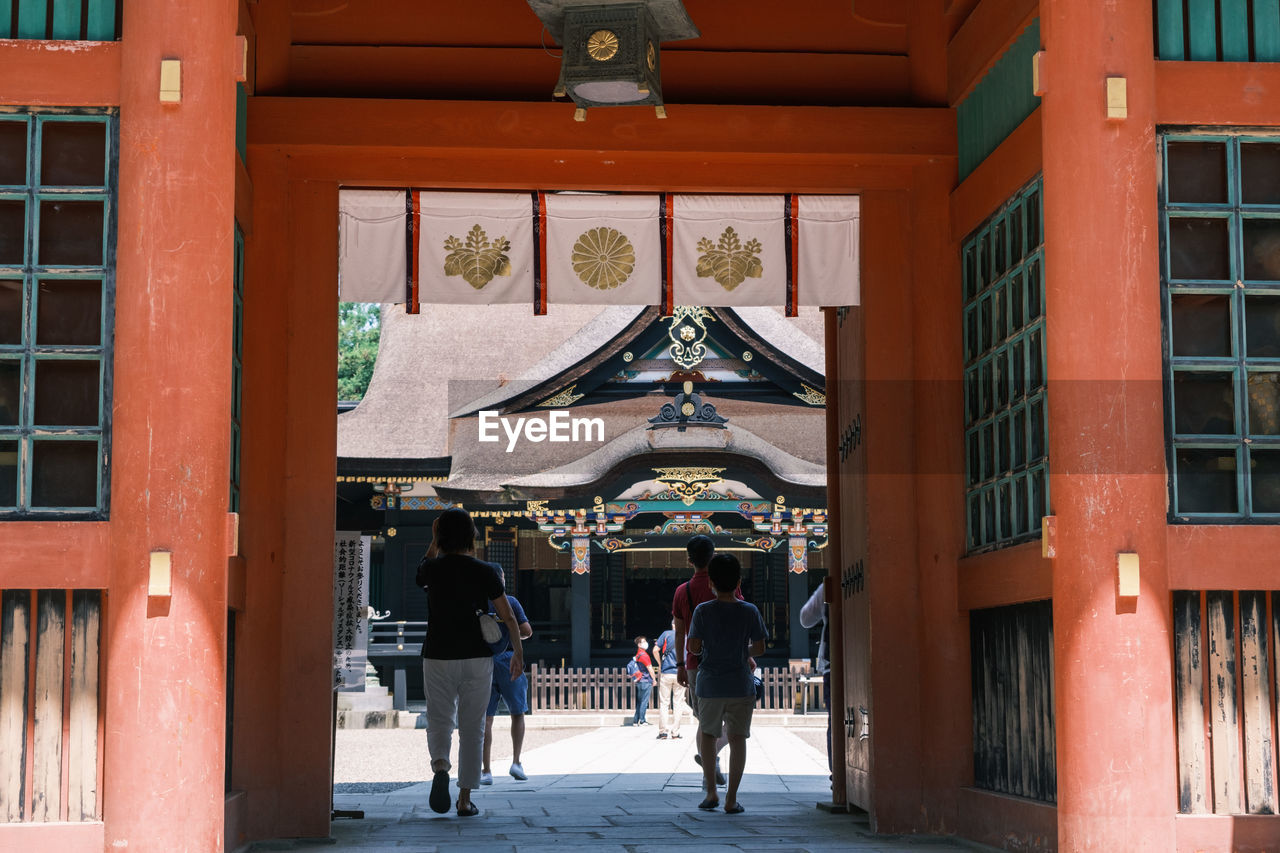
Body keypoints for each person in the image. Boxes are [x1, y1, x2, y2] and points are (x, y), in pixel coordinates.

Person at [416, 508, 524, 818]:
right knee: (472, 727)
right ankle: (464, 799)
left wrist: (435, 538)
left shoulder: (432, 570)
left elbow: (422, 569)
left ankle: (440, 766)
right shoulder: (486, 571)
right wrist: (517, 651)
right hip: (477, 656)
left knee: (439, 718)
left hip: (437, 654)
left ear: (442, 535)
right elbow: (507, 615)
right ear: (471, 535)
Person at [687, 553, 767, 814]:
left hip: (709, 682)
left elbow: (694, 646)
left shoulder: (702, 610)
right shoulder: (749, 610)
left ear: (711, 582)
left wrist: (710, 649)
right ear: (738, 581)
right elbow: (760, 647)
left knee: (708, 735)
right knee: (737, 738)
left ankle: (711, 792)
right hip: (739, 682)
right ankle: (732, 798)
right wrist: (742, 652)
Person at [672, 534, 743, 785]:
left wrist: (680, 665)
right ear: (713, 556)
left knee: (705, 720)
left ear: (689, 560)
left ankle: (708, 772)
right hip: (730, 660)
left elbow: (680, 632)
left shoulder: (683, 591)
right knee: (735, 719)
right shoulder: (728, 586)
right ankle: (710, 760)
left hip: (696, 663)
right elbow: (739, 622)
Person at [480, 572, 533, 786]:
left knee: (486, 717)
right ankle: (516, 762)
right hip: (510, 657)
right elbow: (527, 631)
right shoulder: (510, 601)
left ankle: (486, 770)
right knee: (517, 712)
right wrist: (509, 631)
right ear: (502, 579)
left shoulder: (478, 603)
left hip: (483, 661)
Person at [798, 582, 831, 770]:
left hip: (833, 659)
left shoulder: (827, 586)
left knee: (835, 719)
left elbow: (806, 618)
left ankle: (838, 777)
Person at [652, 620, 686, 739]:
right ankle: (675, 732)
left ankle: (663, 732)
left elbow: (655, 650)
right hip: (681, 673)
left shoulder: (666, 634)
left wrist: (660, 664)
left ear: (672, 624)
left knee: (664, 703)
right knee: (678, 703)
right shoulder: (686, 636)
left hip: (666, 673)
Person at [628, 635, 656, 725]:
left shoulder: (638, 654)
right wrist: (654, 679)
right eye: (643, 642)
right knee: (644, 701)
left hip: (640, 680)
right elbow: (650, 668)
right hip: (646, 680)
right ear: (639, 644)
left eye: (645, 641)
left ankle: (636, 721)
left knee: (640, 701)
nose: (645, 643)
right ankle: (642, 720)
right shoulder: (644, 655)